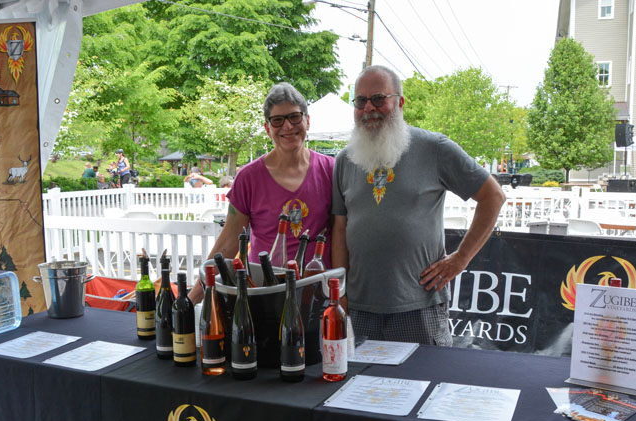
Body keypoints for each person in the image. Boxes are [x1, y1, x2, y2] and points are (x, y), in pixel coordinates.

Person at [330, 65, 505, 346]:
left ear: (400, 102)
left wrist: (461, 259)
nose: (369, 108)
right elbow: (340, 229)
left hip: (419, 306)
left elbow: (493, 196)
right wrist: (340, 294)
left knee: (425, 374)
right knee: (358, 376)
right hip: (359, 308)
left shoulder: (435, 148)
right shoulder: (345, 160)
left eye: (378, 98)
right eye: (360, 101)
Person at [189, 82, 335, 303]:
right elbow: (228, 241)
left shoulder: (331, 171)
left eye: (295, 117)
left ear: (307, 121)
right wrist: (191, 300)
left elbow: (342, 233)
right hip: (264, 293)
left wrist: (343, 293)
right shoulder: (249, 178)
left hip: (317, 294)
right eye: (277, 120)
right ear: (268, 129)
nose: (288, 126)